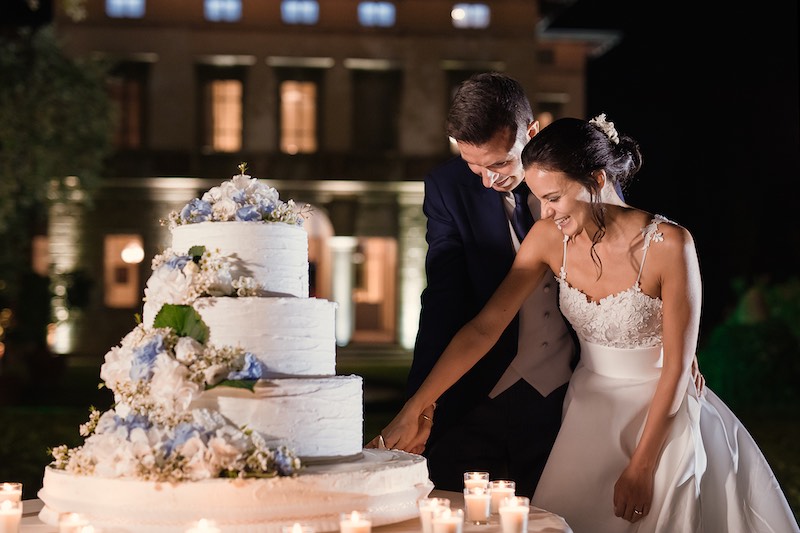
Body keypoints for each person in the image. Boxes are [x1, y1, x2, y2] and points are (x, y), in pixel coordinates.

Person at [376, 116, 799, 532]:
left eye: (555, 198)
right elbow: (485, 328)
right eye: (540, 198)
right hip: (587, 411)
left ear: (596, 179)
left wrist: (641, 467)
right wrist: (416, 407)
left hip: (662, 415)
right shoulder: (546, 238)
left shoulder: (671, 244)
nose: (546, 212)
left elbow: (677, 366)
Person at [367, 72, 579, 498]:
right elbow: (443, 299)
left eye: (500, 163)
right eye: (473, 165)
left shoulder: (579, 181)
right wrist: (420, 402)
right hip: (480, 390)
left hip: (571, 390)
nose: (487, 179)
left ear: (532, 132)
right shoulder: (446, 188)